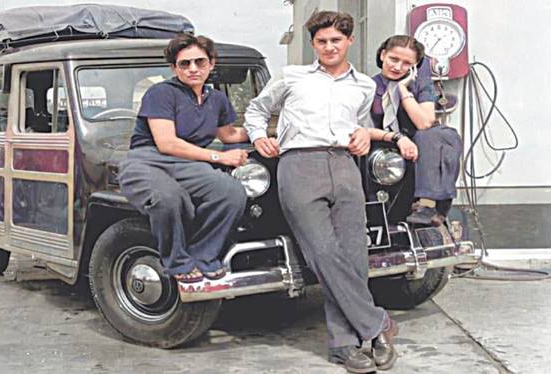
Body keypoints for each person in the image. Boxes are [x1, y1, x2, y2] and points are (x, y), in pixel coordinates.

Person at [244, 11, 398, 373]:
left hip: (344, 167)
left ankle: (346, 343)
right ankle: (377, 325)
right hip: (299, 166)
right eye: (322, 41)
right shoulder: (292, 77)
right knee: (324, 254)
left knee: (354, 256)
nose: (329, 47)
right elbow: (256, 109)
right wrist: (259, 136)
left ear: (349, 41)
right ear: (313, 44)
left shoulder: (364, 85)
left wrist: (363, 134)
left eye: (336, 40)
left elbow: (362, 124)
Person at [118, 33, 249, 283]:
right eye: (184, 64)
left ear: (211, 63)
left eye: (199, 62)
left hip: (187, 163)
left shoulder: (217, 99)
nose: (193, 69)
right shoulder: (161, 93)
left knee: (231, 192)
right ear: (173, 68)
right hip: (147, 160)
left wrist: (270, 133)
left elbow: (230, 133)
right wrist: (219, 157)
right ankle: (177, 262)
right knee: (168, 198)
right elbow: (166, 143)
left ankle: (203, 255)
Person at [368, 35, 463, 226]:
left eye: (406, 63)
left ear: (415, 65)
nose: (397, 67)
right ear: (382, 55)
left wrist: (403, 90)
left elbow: (424, 123)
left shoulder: (420, 85)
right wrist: (397, 138)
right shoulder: (368, 85)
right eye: (393, 59)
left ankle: (428, 204)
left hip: (420, 149)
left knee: (439, 134)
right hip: (384, 146)